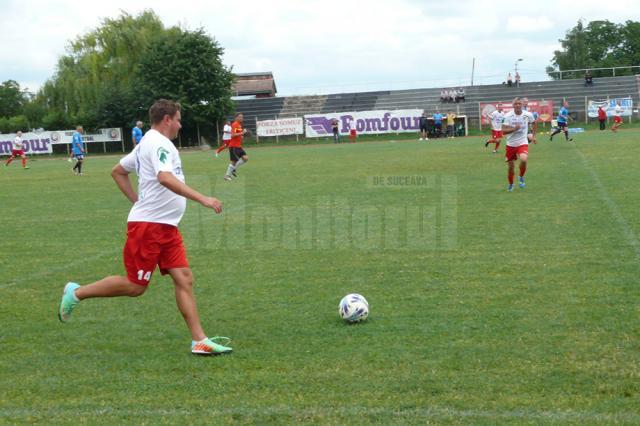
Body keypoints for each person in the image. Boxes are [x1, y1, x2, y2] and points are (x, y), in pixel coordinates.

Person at [57, 99, 232, 356]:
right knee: (135, 286)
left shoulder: (146, 144)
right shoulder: (158, 143)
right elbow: (164, 177)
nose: (181, 125)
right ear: (167, 120)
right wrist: (203, 198)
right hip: (149, 227)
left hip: (166, 226)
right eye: (179, 119)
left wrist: (138, 201)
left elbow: (118, 171)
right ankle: (77, 293)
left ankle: (199, 340)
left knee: (184, 278)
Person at [502, 97, 536, 192]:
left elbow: (534, 123)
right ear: (513, 105)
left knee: (524, 159)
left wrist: (533, 136)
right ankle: (511, 184)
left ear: (522, 105)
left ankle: (521, 176)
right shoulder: (507, 116)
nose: (517, 105)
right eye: (515, 104)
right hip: (511, 144)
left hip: (522, 142)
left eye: (519, 104)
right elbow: (503, 131)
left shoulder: (528, 114)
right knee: (511, 167)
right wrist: (514, 129)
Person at [224, 113, 249, 181]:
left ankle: (234, 169)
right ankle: (227, 176)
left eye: (242, 117)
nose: (241, 118)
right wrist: (242, 133)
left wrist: (241, 135)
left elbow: (237, 135)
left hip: (238, 146)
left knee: (246, 158)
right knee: (234, 161)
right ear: (236, 118)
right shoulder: (235, 124)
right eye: (240, 117)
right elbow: (232, 135)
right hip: (234, 146)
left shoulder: (239, 125)